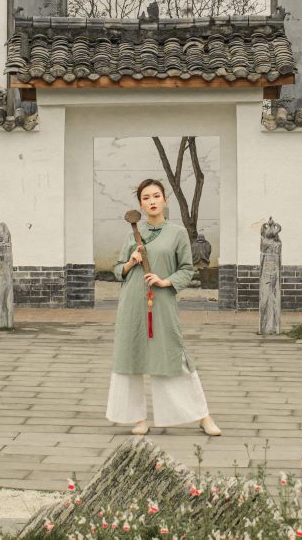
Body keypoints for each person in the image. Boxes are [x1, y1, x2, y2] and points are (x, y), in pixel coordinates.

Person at [105, 178, 222, 437]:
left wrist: (165, 281)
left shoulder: (177, 234)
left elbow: (187, 269)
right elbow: (117, 270)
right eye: (146, 198)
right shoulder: (132, 235)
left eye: (156, 196)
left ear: (165, 199)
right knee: (131, 357)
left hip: (162, 302)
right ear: (140, 205)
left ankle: (202, 416)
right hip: (133, 305)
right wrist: (131, 262)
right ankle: (138, 418)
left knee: (173, 355)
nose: (152, 201)